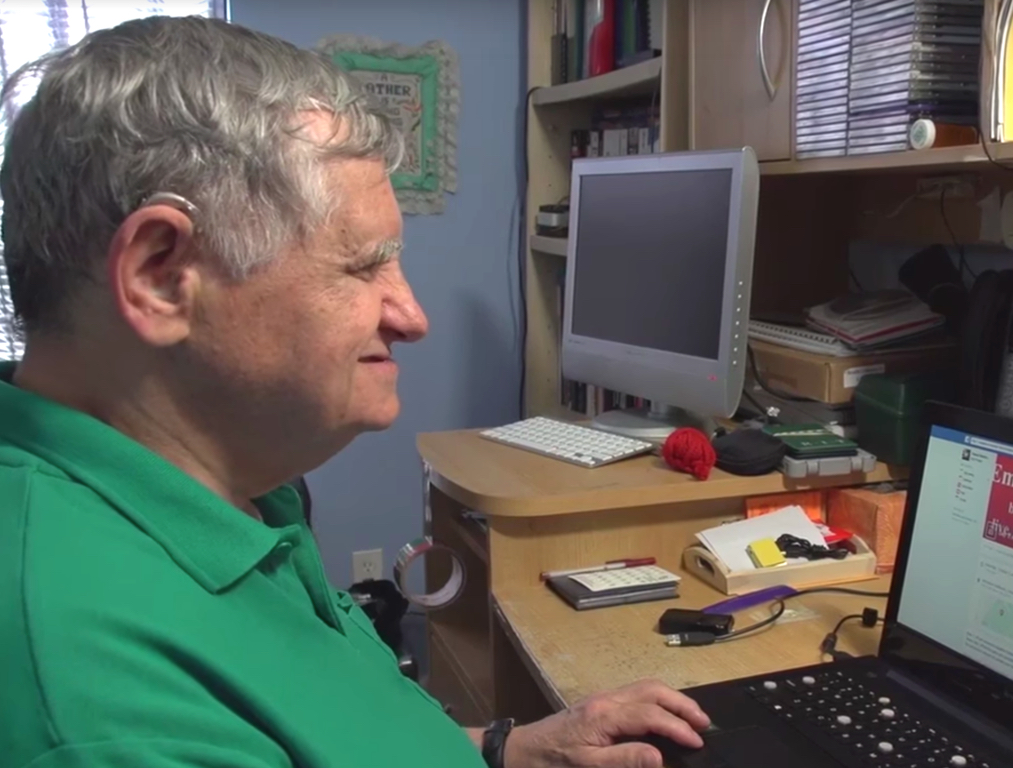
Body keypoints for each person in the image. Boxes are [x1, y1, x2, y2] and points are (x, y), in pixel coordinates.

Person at [0, 16, 710, 768]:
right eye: (363, 267)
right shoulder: (99, 707)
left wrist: (509, 751)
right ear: (160, 275)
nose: (411, 317)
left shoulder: (231, 484)